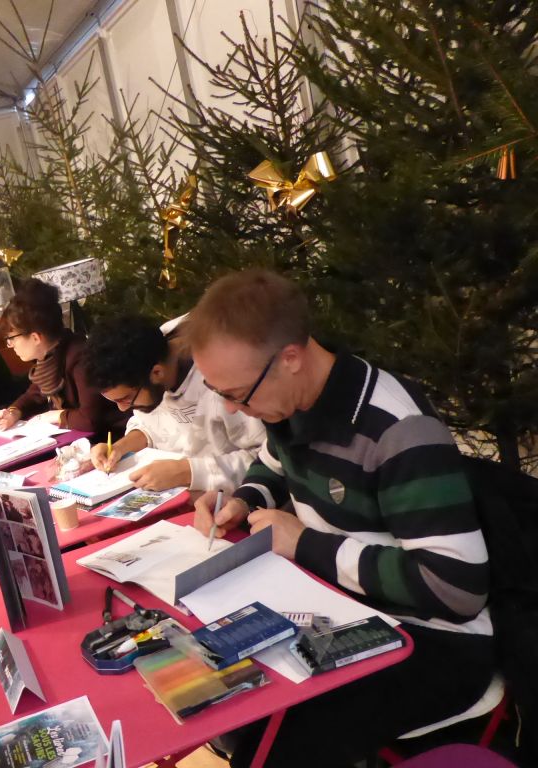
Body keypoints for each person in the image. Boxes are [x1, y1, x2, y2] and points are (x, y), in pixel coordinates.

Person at [187, 269, 493, 767]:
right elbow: (272, 462)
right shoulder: (290, 402)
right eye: (218, 391)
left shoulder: (399, 429)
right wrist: (242, 499)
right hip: (342, 604)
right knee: (223, 691)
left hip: (434, 638)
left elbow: (456, 587)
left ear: (290, 358)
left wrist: (305, 543)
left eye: (238, 393)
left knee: (274, 750)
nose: (231, 408)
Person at [85, 314, 264, 491]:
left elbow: (267, 458)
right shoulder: (144, 361)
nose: (122, 408)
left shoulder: (223, 377)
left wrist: (186, 472)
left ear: (157, 373)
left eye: (125, 399)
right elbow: (150, 426)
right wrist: (119, 448)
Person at [0, 278, 126, 435]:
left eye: (12, 338)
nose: (10, 345)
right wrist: (13, 412)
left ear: (35, 338)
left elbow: (90, 420)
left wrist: (53, 416)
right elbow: (34, 394)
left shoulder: (81, 357)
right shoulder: (51, 356)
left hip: (113, 439)